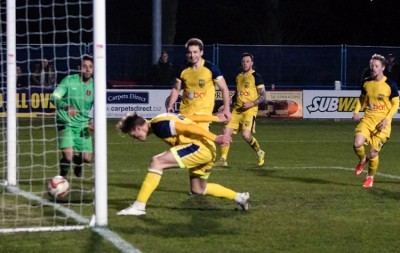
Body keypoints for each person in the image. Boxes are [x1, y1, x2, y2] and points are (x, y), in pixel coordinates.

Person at [116, 112, 250, 216]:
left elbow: (188, 127)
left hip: (199, 147)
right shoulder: (160, 118)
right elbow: (190, 117)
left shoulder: (159, 126)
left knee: (157, 162)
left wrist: (216, 138)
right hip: (207, 150)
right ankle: (240, 197)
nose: (134, 138)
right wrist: (215, 118)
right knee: (198, 190)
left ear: (138, 128)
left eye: (133, 135)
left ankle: (138, 206)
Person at [352, 54, 399, 188]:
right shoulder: (366, 82)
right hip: (367, 119)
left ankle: (370, 177)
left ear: (383, 68)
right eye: (372, 65)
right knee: (357, 143)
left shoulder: (390, 85)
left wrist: (386, 119)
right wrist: (356, 111)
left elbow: (396, 104)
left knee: (373, 152)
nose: (373, 68)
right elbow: (361, 98)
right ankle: (362, 160)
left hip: (382, 124)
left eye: (376, 66)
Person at [166, 38, 231, 129]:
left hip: (203, 116)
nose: (192, 55)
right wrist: (170, 105)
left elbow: (224, 88)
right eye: (190, 52)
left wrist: (227, 110)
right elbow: (176, 89)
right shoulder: (183, 69)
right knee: (184, 142)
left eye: (195, 52)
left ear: (201, 52)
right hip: (185, 115)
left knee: (201, 143)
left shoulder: (211, 68)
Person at [215, 53, 266, 167]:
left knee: (246, 135)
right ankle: (223, 159)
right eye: (243, 61)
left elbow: (263, 96)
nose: (245, 63)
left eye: (247, 61)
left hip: (250, 110)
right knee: (225, 132)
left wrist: (251, 103)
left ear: (252, 63)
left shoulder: (256, 76)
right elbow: (237, 95)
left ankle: (259, 152)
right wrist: (226, 104)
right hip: (237, 110)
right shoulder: (238, 76)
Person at [50, 55, 94, 178]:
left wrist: (94, 120)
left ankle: (78, 162)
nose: (87, 69)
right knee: (68, 156)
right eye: (84, 67)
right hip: (66, 121)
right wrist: (65, 106)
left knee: (87, 158)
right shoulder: (69, 80)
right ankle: (61, 177)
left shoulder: (96, 85)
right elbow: (54, 97)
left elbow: (99, 104)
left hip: (83, 125)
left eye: (90, 67)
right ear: (79, 68)